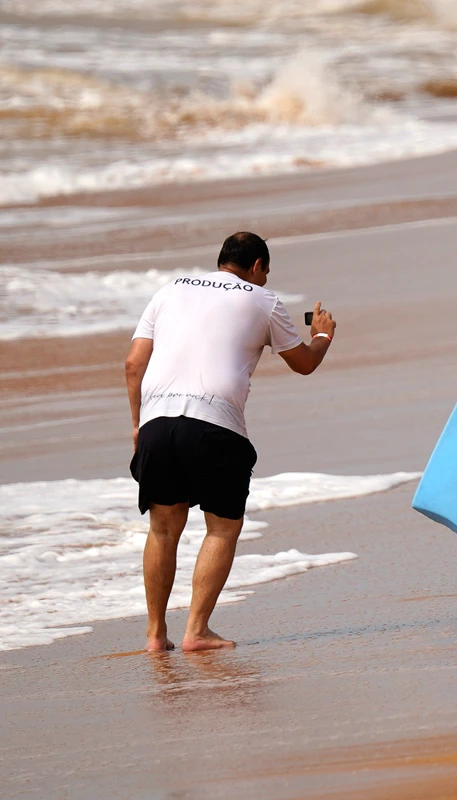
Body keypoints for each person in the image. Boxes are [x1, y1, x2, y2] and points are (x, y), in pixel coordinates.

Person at [125, 232, 337, 651]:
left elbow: (134, 364)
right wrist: (323, 335)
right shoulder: (263, 300)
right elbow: (304, 364)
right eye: (265, 271)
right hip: (214, 424)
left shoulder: (168, 291)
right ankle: (196, 631)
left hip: (156, 423)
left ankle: (155, 634)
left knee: (163, 528)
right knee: (222, 526)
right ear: (257, 266)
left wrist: (137, 425)